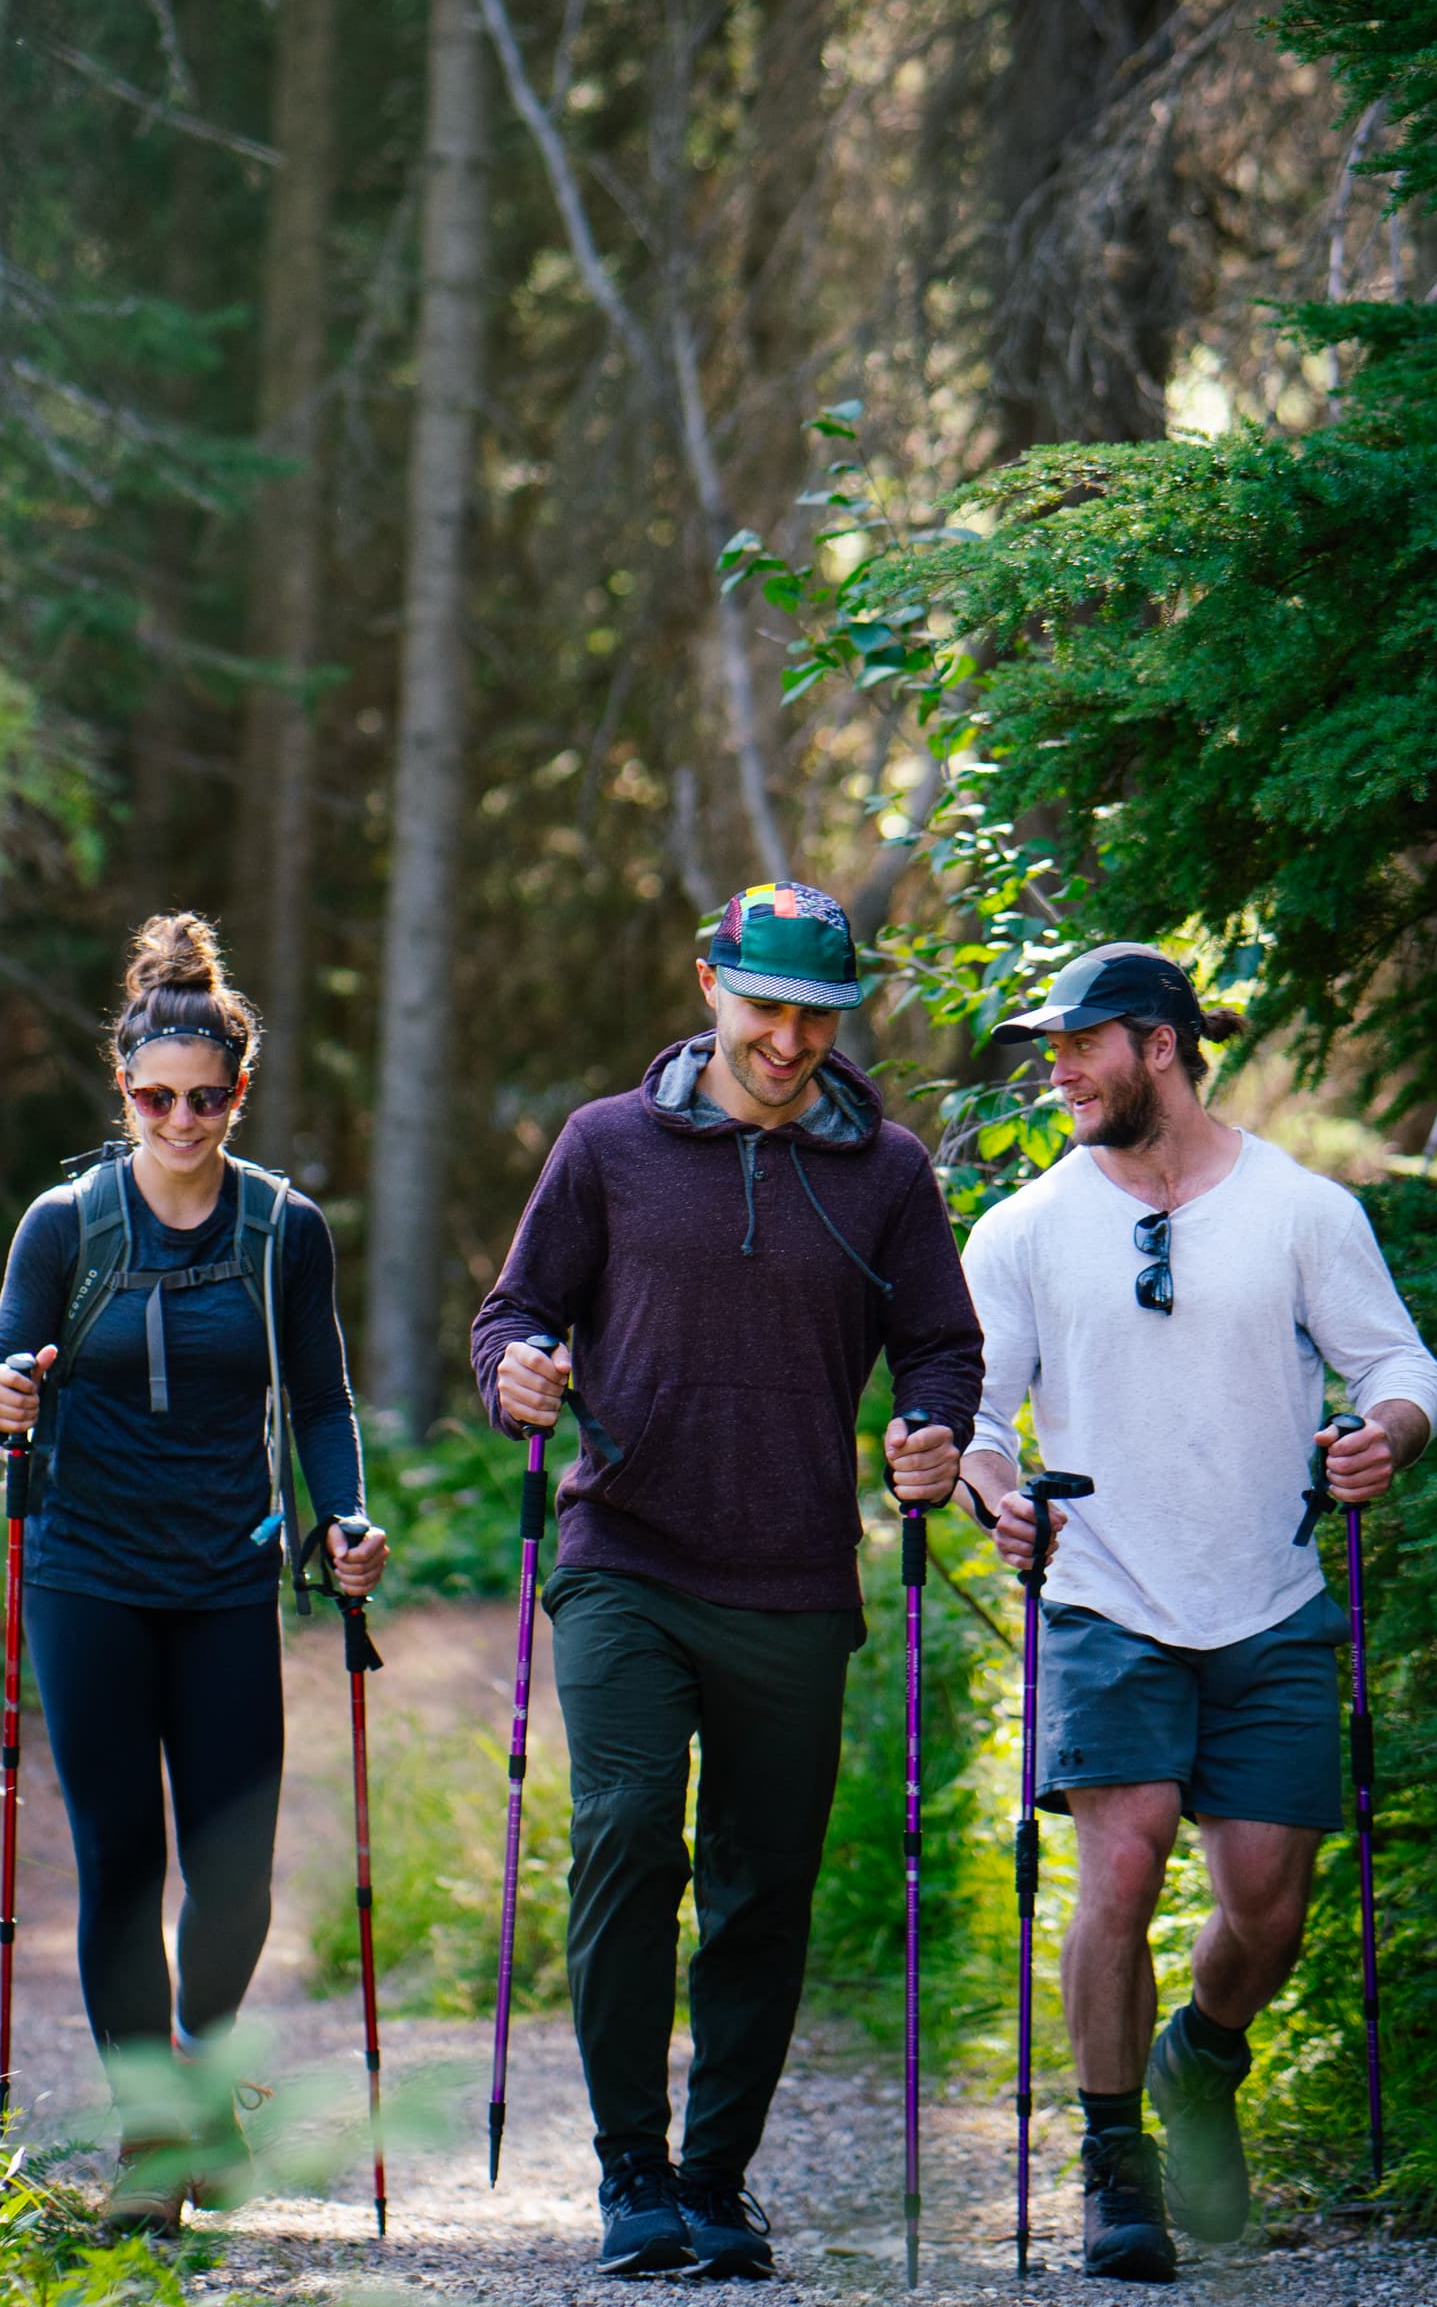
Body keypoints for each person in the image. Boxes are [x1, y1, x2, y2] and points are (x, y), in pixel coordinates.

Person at [469, 881, 984, 2281]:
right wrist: (514, 1368)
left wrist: (929, 1430)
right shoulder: (608, 1146)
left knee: (765, 1888)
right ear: (709, 981)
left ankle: (716, 2181)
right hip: (625, 1551)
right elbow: (514, 1310)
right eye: (765, 1005)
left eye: (816, 1013)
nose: (788, 1037)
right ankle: (631, 2169)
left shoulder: (885, 1170)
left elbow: (942, 1343)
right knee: (631, 1828)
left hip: (795, 1576)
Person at [950, 944, 1437, 2283]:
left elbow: (1398, 1362)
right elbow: (979, 1422)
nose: (1054, 1068)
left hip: (1273, 1599)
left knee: (1270, 1906)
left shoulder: (1302, 1211)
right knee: (1121, 1858)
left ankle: (1199, 2059)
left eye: (1079, 1043)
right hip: (1105, 1589)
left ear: (1159, 1044)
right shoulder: (1024, 1229)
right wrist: (999, 1497)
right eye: (1048, 1045)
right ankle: (1117, 2173)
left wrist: (1384, 1434)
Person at [0, 913, 388, 2232]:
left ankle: (203, 2065)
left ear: (239, 1095)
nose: (183, 1117)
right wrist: (5, 1400)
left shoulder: (280, 1229)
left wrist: (348, 1518)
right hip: (87, 1572)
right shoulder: (65, 1222)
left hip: (223, 1575)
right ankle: (153, 2139)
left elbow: (320, 1400)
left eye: (209, 1097)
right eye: (158, 1096)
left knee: (238, 1863)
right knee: (121, 1864)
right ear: (124, 1090)